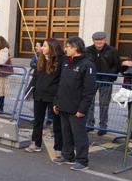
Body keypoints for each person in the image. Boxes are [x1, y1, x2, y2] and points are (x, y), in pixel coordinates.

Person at [53, 37, 96, 171]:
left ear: (75, 47)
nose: (65, 49)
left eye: (68, 46)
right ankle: (68, 155)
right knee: (66, 133)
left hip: (77, 108)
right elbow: (60, 84)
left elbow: (89, 90)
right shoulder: (66, 62)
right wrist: (57, 102)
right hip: (64, 105)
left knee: (79, 135)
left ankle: (82, 161)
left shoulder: (87, 65)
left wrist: (82, 109)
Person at [25, 39, 64, 157]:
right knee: (38, 120)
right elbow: (35, 77)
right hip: (39, 95)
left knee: (57, 123)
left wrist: (58, 97)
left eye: (45, 46)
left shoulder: (61, 61)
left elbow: (62, 81)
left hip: (53, 97)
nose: (42, 48)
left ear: (52, 48)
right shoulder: (40, 60)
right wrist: (29, 91)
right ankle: (35, 143)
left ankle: (59, 148)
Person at [85, 32, 122, 136]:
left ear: (105, 40)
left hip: (106, 81)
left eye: (101, 40)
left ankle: (103, 126)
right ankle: (90, 124)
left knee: (104, 104)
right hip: (91, 80)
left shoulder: (112, 51)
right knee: (89, 103)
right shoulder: (88, 50)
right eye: (97, 40)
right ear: (93, 41)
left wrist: (111, 75)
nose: (99, 42)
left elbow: (117, 65)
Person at [0, 36, 11, 113]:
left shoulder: (4, 50)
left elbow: (1, 60)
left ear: (0, 42)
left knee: (0, 92)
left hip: (1, 74)